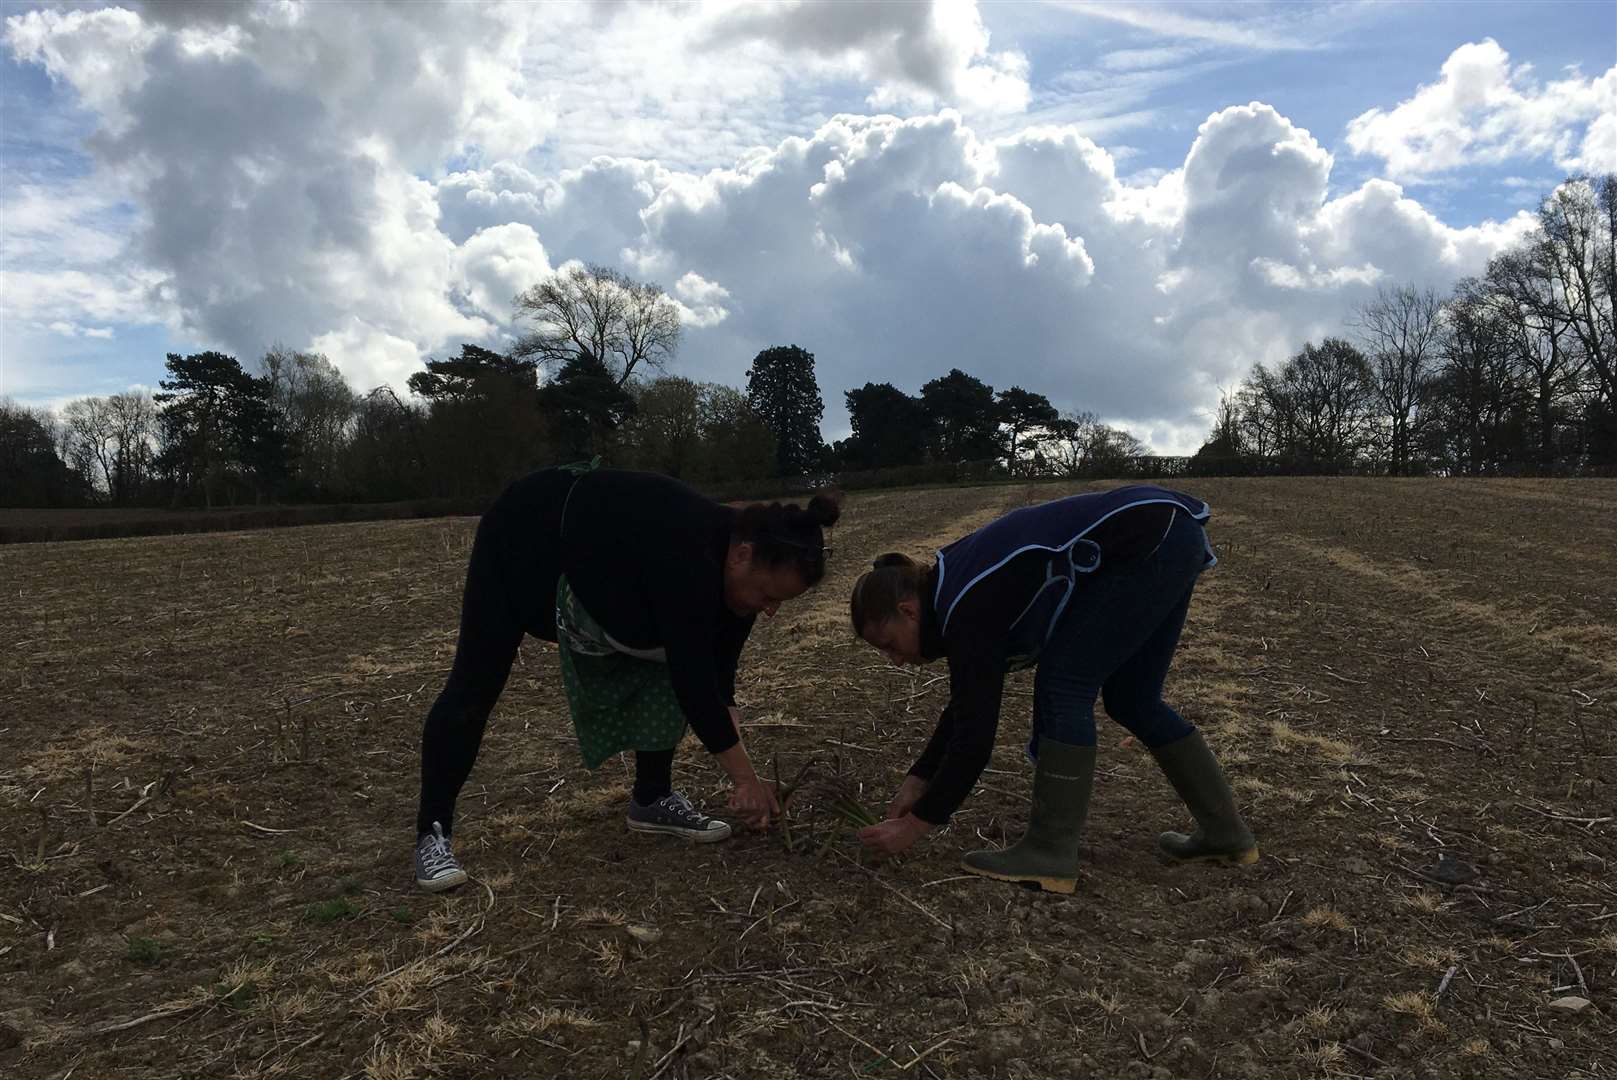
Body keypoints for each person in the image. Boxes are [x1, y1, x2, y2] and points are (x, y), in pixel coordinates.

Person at [413, 459, 841, 892]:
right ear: (743, 555)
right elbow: (695, 685)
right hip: (526, 543)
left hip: (607, 582)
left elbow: (719, 679)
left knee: (665, 656)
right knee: (475, 685)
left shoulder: (741, 575)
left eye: (779, 602)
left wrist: (742, 764)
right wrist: (746, 780)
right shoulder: (689, 553)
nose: (770, 611)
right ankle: (432, 834)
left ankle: (651, 798)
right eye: (768, 596)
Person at [847, 484, 1256, 894]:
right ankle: (1226, 834)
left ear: (908, 611)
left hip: (1146, 539)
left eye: (888, 645)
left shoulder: (963, 606)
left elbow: (975, 736)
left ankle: (1050, 851)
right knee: (1133, 698)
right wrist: (919, 779)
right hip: (1169, 533)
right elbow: (967, 704)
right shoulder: (951, 589)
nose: (895, 660)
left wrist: (916, 825)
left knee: (1064, 685)